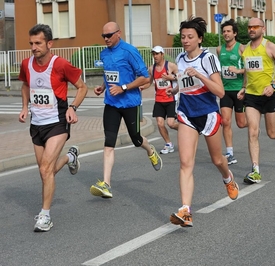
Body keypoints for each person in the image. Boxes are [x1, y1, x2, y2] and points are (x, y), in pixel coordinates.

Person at [168, 16, 239, 227]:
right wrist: (174, 87)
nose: (186, 40)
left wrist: (199, 74)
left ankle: (227, 178)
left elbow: (220, 90)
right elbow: (185, 85)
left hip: (208, 114)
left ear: (200, 39)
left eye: (190, 37)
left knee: (217, 160)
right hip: (187, 113)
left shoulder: (208, 58)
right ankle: (185, 210)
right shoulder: (180, 58)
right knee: (185, 163)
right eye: (183, 37)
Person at [18, 24, 88, 232]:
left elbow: (82, 87)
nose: (33, 47)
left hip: (57, 122)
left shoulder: (61, 64)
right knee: (45, 172)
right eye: (31, 43)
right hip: (37, 124)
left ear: (49, 44)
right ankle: (69, 158)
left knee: (45, 169)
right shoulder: (26, 64)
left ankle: (45, 215)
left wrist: (73, 108)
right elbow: (25, 85)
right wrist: (24, 107)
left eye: (38, 43)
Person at [90, 22, 162, 199]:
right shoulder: (104, 53)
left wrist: (123, 87)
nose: (106, 39)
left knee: (136, 139)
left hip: (130, 103)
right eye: (103, 36)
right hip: (111, 103)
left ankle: (150, 150)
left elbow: (144, 77)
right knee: (109, 142)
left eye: (109, 35)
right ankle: (106, 184)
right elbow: (110, 74)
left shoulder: (129, 51)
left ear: (118, 33)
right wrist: (102, 87)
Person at [237, 18, 275, 184]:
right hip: (252, 96)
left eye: (255, 27)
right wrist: (243, 87)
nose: (251, 29)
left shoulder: (269, 46)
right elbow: (248, 71)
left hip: (271, 94)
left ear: (263, 29)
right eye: (249, 27)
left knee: (272, 133)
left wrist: (273, 84)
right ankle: (255, 170)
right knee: (252, 131)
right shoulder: (245, 49)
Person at [216, 19, 247, 165]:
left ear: (234, 33)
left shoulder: (242, 48)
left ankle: (253, 124)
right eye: (224, 31)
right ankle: (230, 153)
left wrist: (238, 70)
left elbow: (249, 69)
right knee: (225, 121)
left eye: (229, 31)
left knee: (241, 123)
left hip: (239, 89)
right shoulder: (219, 49)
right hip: (225, 91)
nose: (226, 34)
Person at [140, 46, 179, 154]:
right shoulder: (151, 68)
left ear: (162, 54)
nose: (155, 56)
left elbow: (181, 77)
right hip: (159, 100)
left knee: (171, 124)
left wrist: (171, 77)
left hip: (170, 99)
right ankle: (168, 144)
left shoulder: (170, 66)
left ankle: (187, 129)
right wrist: (143, 87)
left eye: (157, 54)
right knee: (160, 124)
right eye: (153, 54)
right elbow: (150, 81)